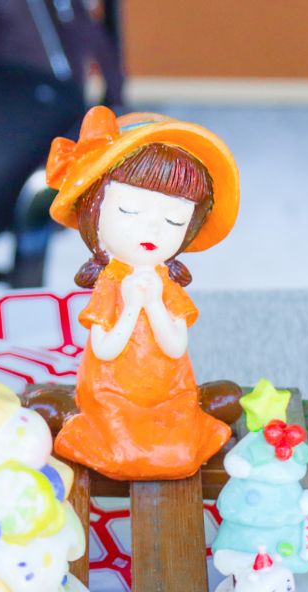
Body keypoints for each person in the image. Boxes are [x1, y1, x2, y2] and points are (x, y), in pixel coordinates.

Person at [45, 107, 240, 480]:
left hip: (170, 393)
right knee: (123, 453)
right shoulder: (111, 283)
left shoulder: (164, 284)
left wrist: (154, 303)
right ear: (95, 211)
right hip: (111, 394)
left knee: (178, 454)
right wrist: (132, 306)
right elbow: (105, 350)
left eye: (173, 219)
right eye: (130, 211)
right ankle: (76, 416)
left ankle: (197, 410)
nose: (153, 229)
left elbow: (175, 346)